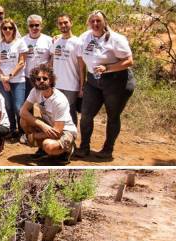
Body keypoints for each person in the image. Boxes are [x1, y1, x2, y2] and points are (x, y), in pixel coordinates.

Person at [75, 10, 135, 160]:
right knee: (86, 115)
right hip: (93, 81)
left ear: (104, 22)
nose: (95, 24)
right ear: (89, 23)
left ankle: (108, 150)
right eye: (93, 21)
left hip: (116, 81)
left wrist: (107, 68)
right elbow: (78, 55)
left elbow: (129, 61)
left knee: (112, 116)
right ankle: (84, 147)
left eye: (98, 21)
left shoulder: (116, 39)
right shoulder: (85, 37)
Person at [20, 64, 77, 163]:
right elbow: (23, 112)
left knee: (49, 146)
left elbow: (57, 132)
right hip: (48, 125)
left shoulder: (59, 100)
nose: (41, 80)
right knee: (24, 120)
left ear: (50, 80)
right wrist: (42, 125)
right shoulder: (35, 92)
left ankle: (66, 150)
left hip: (64, 130)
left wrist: (33, 137)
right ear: (35, 81)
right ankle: (43, 150)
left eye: (45, 78)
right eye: (38, 79)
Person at [0, 18, 28, 140]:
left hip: (18, 80)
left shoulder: (20, 43)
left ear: (14, 29)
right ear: (1, 30)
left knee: (19, 107)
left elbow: (21, 62)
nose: (7, 30)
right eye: (5, 28)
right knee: (7, 106)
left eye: (10, 28)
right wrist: (3, 79)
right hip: (2, 80)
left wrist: (9, 77)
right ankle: (12, 129)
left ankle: (22, 131)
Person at [49, 14, 85, 127]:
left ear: (71, 23)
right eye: (60, 23)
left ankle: (71, 139)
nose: (63, 25)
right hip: (56, 84)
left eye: (65, 22)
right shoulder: (56, 41)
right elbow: (52, 62)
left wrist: (81, 87)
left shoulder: (78, 42)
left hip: (71, 85)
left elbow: (81, 67)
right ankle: (57, 136)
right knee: (55, 111)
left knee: (70, 112)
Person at [23, 15, 53, 99]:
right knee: (28, 103)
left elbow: (52, 57)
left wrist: (47, 71)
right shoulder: (22, 41)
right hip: (28, 78)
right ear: (28, 27)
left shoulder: (49, 40)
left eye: (37, 25)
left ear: (41, 26)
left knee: (45, 102)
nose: (34, 28)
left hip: (43, 78)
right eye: (31, 25)